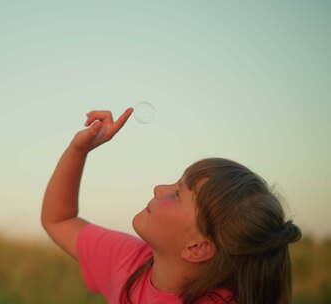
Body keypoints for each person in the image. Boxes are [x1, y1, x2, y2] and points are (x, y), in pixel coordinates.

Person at [41, 108, 302, 304]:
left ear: (197, 247)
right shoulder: (130, 261)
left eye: (177, 194)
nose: (158, 188)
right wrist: (78, 151)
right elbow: (59, 221)